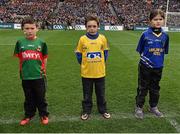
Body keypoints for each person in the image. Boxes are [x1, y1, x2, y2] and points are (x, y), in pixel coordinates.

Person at [14, 17, 49, 125]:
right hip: (25, 76)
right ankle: (29, 115)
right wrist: (23, 70)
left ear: (37, 29)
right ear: (23, 30)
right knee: (28, 97)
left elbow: (45, 57)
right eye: (27, 28)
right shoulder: (20, 42)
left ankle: (43, 114)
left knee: (40, 97)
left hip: (38, 75)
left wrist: (44, 69)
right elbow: (20, 58)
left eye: (32, 28)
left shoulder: (41, 43)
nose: (29, 31)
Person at [135, 9, 169, 119]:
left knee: (155, 88)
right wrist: (147, 60)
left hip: (158, 67)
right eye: (155, 19)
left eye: (160, 19)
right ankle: (139, 107)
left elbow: (164, 51)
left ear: (163, 20)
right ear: (150, 21)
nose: (158, 21)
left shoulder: (165, 36)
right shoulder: (145, 34)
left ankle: (153, 106)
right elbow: (140, 50)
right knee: (142, 87)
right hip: (145, 66)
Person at [75, 15, 111, 120]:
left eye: (94, 26)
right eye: (89, 26)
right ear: (86, 27)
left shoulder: (102, 38)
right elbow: (78, 54)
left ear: (98, 26)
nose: (92, 28)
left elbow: (105, 53)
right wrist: (85, 64)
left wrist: (99, 63)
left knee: (101, 94)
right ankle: (86, 110)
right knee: (87, 94)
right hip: (86, 73)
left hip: (100, 72)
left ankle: (103, 110)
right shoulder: (82, 39)